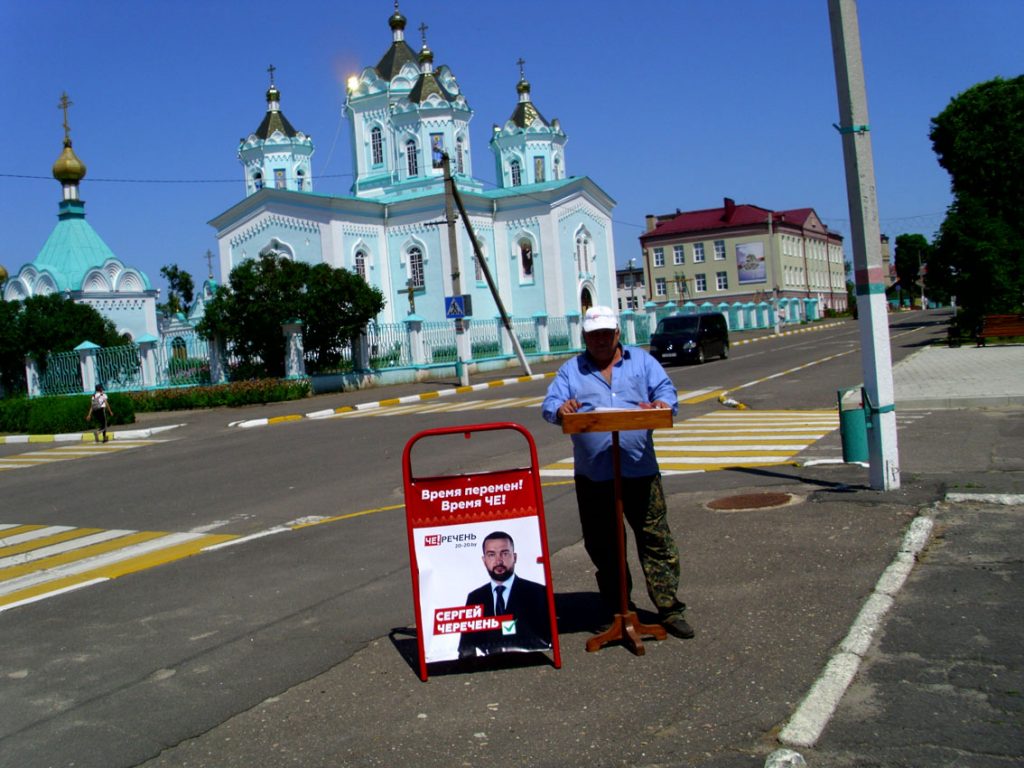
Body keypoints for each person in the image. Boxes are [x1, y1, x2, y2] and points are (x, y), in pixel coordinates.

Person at [541, 305, 694, 639]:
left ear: (617, 334)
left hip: (640, 471)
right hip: (595, 477)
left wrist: (660, 405)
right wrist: (561, 408)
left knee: (655, 540)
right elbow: (550, 405)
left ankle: (669, 609)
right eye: (593, 335)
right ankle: (619, 608)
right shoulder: (572, 371)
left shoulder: (641, 362)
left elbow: (667, 394)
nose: (599, 341)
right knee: (604, 544)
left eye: (605, 335)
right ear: (584, 336)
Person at [458, 531, 553, 658]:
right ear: (484, 560)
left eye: (504, 553)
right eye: (491, 555)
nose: (498, 561)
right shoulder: (475, 597)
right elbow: (466, 646)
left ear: (515, 557)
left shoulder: (537, 591)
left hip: (527, 657)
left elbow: (543, 635)